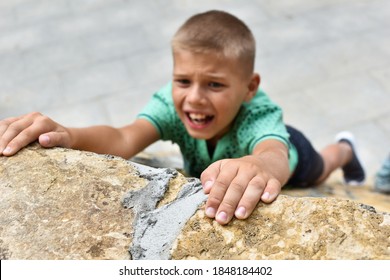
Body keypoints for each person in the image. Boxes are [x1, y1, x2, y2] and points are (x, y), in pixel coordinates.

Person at [0, 10, 365, 225]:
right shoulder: (174, 105)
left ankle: (345, 149)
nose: (194, 98)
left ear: (250, 87)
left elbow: (273, 154)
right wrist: (68, 134)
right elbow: (125, 137)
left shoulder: (259, 114)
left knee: (321, 167)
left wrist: (258, 165)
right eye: (183, 81)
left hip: (292, 152)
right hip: (244, 163)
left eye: (215, 84)